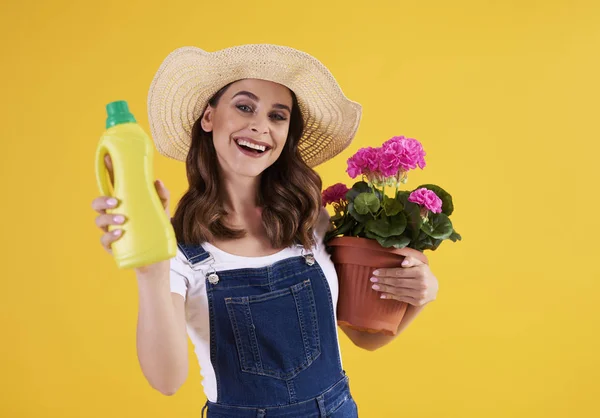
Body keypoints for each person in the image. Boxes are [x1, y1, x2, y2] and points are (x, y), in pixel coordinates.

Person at [91, 44, 439, 418]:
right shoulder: (179, 248)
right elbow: (167, 380)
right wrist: (151, 272)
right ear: (209, 117)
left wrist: (421, 295)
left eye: (278, 116)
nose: (260, 125)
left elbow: (364, 336)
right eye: (244, 107)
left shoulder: (311, 221)